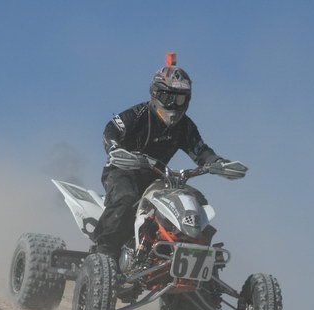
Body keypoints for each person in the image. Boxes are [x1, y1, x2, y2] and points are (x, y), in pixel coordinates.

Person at [91, 52, 232, 257]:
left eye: (180, 99)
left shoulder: (185, 126)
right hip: (122, 170)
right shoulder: (139, 114)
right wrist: (114, 148)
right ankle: (103, 251)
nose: (174, 105)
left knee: (196, 200)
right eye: (168, 98)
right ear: (156, 94)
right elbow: (111, 129)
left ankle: (194, 253)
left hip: (157, 177)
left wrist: (218, 162)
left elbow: (201, 151)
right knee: (126, 197)